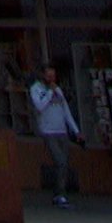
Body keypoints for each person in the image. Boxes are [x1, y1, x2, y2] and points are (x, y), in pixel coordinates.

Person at [30, 66, 83, 209]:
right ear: (43, 76)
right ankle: (59, 194)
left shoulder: (58, 90)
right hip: (48, 132)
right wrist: (49, 92)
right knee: (60, 161)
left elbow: (66, 111)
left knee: (64, 163)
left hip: (62, 132)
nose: (52, 79)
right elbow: (39, 106)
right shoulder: (37, 89)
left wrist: (76, 130)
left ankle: (60, 193)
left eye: (53, 76)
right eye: (49, 76)